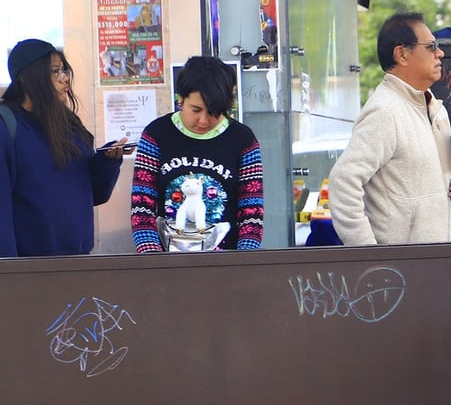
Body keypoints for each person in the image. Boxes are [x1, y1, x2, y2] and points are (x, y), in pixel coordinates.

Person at [328, 12, 451, 245]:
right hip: (399, 271)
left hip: (438, 260)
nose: (440, 53)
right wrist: (369, 254)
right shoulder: (385, 111)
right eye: (431, 46)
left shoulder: (436, 109)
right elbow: (343, 182)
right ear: (402, 54)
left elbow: (445, 169)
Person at [0, 38, 128, 257]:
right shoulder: (7, 125)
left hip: (77, 260)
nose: (64, 79)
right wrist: (9, 273)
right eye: (55, 71)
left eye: (65, 71)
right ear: (28, 77)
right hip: (28, 267)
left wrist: (107, 162)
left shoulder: (69, 124)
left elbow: (93, 194)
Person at [130, 55, 263, 252]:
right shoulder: (156, 135)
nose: (203, 120)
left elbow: (252, 214)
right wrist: (153, 259)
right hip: (165, 263)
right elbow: (142, 208)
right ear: (181, 98)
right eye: (196, 110)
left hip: (228, 266)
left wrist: (243, 262)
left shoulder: (243, 140)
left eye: (214, 112)